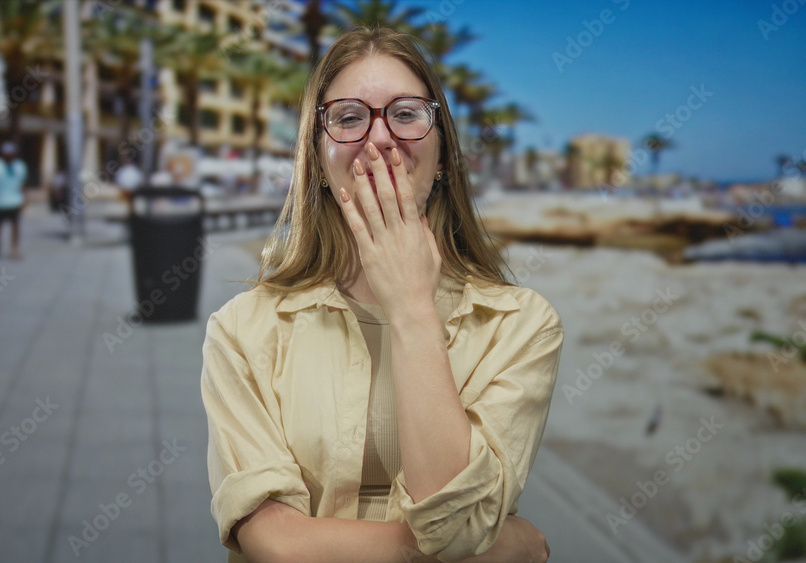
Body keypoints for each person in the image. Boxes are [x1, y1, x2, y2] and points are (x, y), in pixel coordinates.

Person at [202, 27, 562, 563]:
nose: (380, 139)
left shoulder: (521, 325)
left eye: (407, 113)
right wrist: (499, 548)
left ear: (442, 156)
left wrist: (412, 307)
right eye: (349, 117)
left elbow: (458, 522)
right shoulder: (243, 329)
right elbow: (273, 542)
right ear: (318, 162)